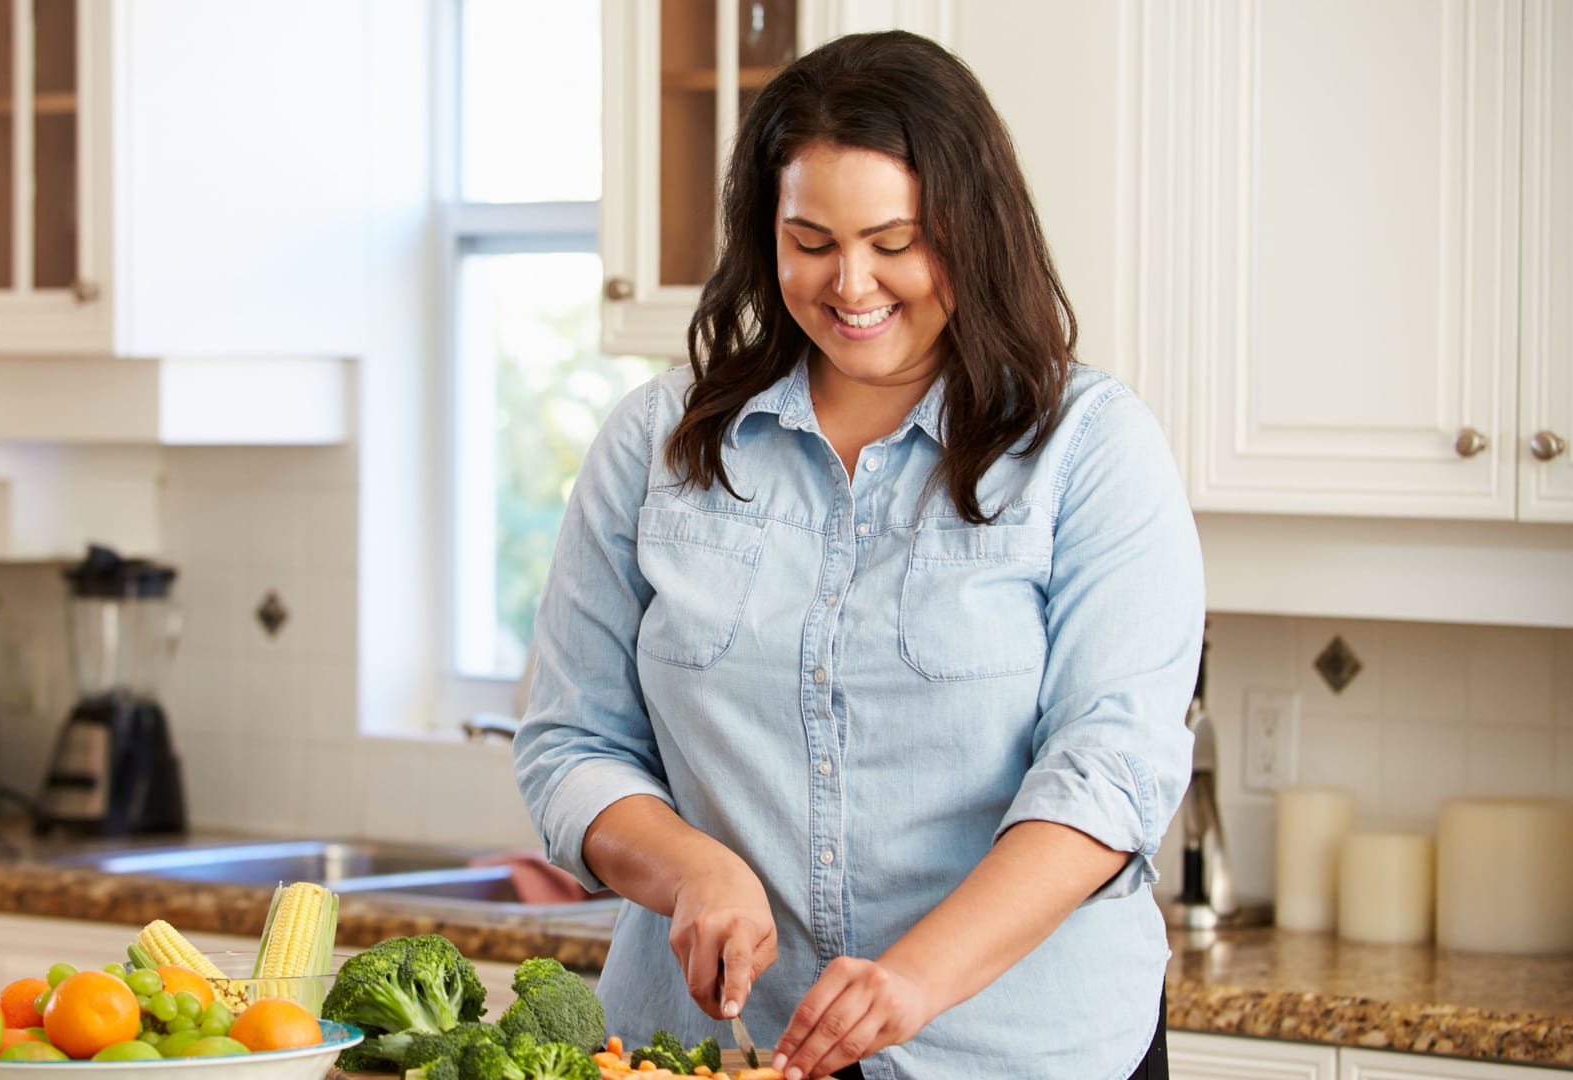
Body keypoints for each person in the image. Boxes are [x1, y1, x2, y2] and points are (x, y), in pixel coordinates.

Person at [513, 29, 1201, 1080]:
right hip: (715, 1052)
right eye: (811, 240)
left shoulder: (1091, 451)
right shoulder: (656, 448)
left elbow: (1107, 778)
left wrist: (916, 979)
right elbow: (570, 744)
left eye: (895, 241)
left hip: (1015, 1053)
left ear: (974, 232)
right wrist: (689, 867)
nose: (851, 283)